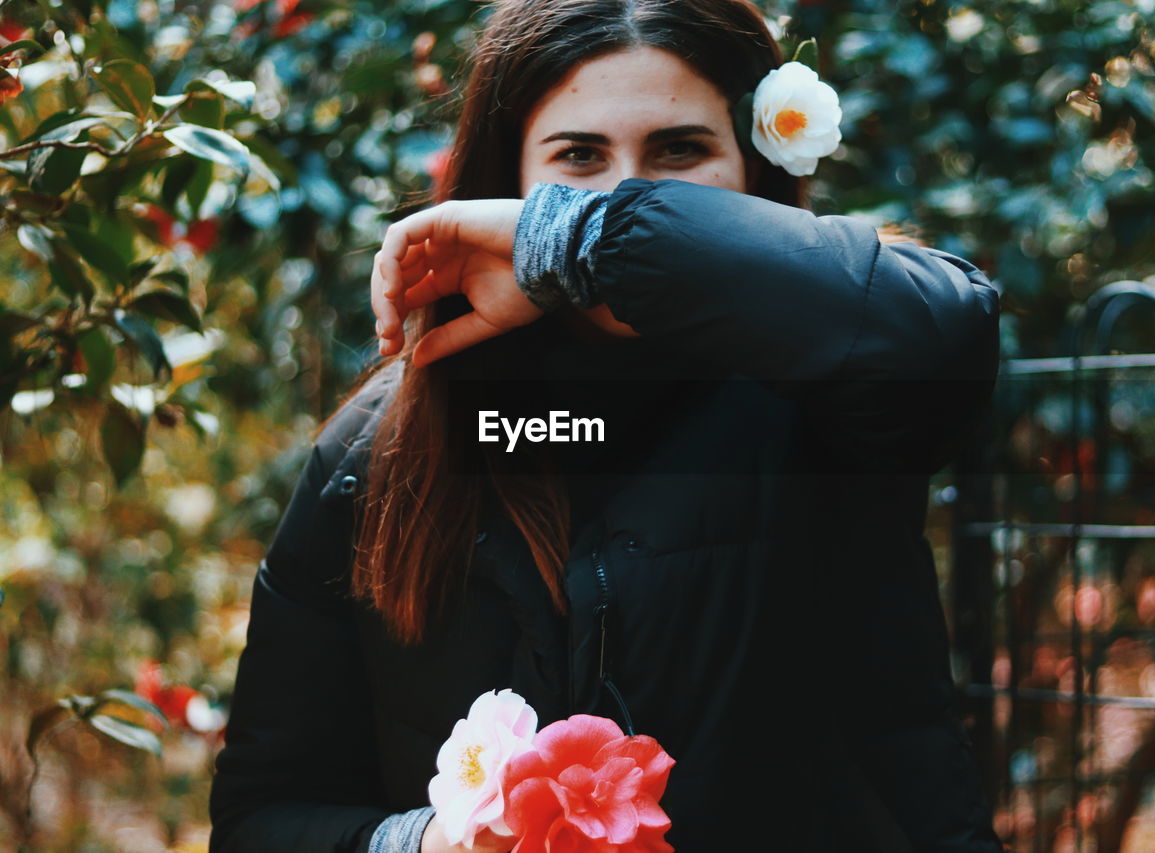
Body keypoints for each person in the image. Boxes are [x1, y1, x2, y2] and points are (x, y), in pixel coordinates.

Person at [208, 1, 1006, 851]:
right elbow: (265, 815)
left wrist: (584, 239)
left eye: (680, 150)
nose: (627, 189)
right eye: (578, 157)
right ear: (507, 178)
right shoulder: (381, 450)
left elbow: (951, 336)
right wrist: (421, 842)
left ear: (752, 168)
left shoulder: (826, 378)